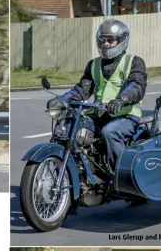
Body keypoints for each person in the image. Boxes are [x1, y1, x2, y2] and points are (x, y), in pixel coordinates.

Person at [63, 19, 147, 173]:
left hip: (125, 115)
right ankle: (78, 169)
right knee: (68, 127)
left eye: (110, 40)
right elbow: (83, 88)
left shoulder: (133, 62)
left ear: (122, 40)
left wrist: (121, 100)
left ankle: (121, 175)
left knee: (110, 132)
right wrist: (64, 99)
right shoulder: (93, 64)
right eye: (103, 40)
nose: (106, 44)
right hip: (98, 112)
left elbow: (136, 86)